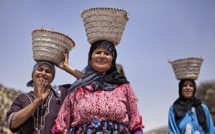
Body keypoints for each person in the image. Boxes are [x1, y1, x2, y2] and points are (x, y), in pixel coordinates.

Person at [52, 40, 144, 134]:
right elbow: (61, 124)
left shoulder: (124, 87)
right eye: (98, 52)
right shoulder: (78, 88)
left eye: (107, 53)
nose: (102, 56)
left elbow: (135, 121)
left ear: (113, 59)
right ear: (90, 57)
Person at [6, 51, 83, 134]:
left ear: (52, 77)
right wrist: (38, 101)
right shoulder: (22, 99)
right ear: (33, 74)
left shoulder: (62, 93)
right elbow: (12, 123)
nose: (43, 73)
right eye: (40, 69)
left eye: (48, 71)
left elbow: (90, 81)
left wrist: (67, 68)